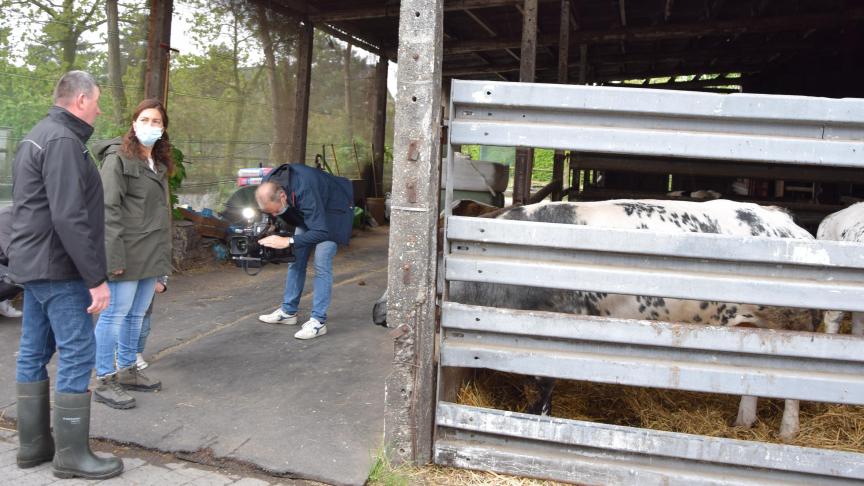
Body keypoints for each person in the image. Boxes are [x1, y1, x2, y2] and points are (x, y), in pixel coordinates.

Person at [9, 71, 122, 479]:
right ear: (79, 100)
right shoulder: (62, 141)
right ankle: (72, 456)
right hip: (60, 268)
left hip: (36, 265)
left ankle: (33, 446)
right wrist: (96, 278)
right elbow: (69, 216)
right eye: (96, 101)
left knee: (34, 352)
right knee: (78, 351)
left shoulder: (38, 135)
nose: (99, 108)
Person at [91, 98, 173, 409]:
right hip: (125, 253)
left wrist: (163, 266)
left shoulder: (158, 165)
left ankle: (127, 371)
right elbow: (107, 210)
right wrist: (114, 260)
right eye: (146, 119)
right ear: (134, 123)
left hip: (150, 255)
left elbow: (157, 216)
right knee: (114, 315)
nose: (150, 126)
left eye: (157, 122)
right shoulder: (118, 159)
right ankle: (105, 378)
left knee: (136, 316)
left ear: (163, 129)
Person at [255, 163, 353, 339]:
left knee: (321, 262)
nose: (276, 214)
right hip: (310, 209)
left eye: (276, 211)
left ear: (283, 196)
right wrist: (270, 225)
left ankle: (318, 321)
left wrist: (288, 240)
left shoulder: (304, 191)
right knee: (296, 259)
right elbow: (275, 210)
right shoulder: (267, 184)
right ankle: (288, 312)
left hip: (333, 211)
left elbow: (321, 231)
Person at [136, 275, 167, 370]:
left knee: (143, 329)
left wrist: (161, 282)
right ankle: (121, 356)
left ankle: (137, 353)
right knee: (121, 326)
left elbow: (160, 287)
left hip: (145, 303)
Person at [0, 205, 23, 318]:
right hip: (3, 263)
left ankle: (3, 300)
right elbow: (11, 252)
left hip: (4, 262)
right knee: (22, 277)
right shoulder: (6, 215)